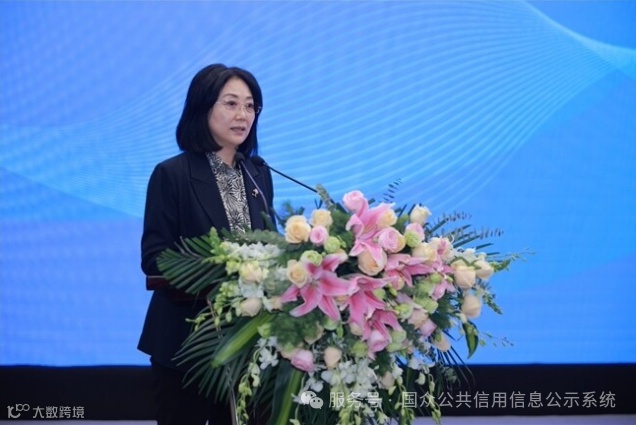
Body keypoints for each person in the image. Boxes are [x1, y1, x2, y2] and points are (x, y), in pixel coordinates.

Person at [138, 64, 275, 425]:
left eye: (250, 106)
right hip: (188, 344)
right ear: (202, 107)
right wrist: (226, 266)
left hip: (249, 343)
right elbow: (154, 258)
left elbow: (271, 245)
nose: (242, 115)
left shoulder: (258, 173)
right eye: (231, 103)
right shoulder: (172, 174)